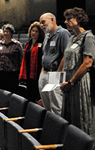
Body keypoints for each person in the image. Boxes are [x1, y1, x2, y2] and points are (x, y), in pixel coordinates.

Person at [59, 7, 95, 141]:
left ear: (79, 20)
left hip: (80, 82)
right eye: (65, 19)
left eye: (69, 19)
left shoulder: (88, 37)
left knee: (82, 116)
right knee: (71, 116)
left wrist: (71, 82)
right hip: (69, 82)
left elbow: (87, 63)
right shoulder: (72, 38)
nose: (66, 22)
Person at [38, 13, 71, 115]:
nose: (41, 25)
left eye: (43, 22)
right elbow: (45, 55)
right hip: (45, 72)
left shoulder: (63, 33)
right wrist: (42, 73)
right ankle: (50, 125)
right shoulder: (47, 36)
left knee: (56, 105)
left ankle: (59, 129)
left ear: (52, 19)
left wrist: (58, 73)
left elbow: (66, 55)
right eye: (40, 23)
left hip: (55, 73)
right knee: (46, 103)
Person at [0, 24, 23, 94]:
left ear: (11, 33)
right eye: (4, 31)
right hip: (1, 72)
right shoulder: (0, 44)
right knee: (2, 91)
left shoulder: (17, 44)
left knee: (12, 91)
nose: (5, 33)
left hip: (13, 73)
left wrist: (21, 73)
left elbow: (21, 59)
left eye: (7, 32)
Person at [19, 22, 45, 102]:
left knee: (37, 96)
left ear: (39, 33)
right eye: (33, 31)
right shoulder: (28, 44)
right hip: (28, 74)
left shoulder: (42, 43)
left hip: (38, 74)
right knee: (29, 95)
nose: (34, 33)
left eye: (36, 31)